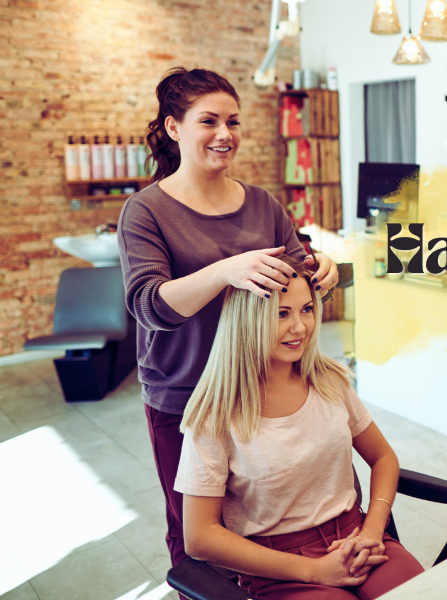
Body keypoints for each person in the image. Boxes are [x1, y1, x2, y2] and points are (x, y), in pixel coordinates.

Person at [117, 67, 339, 577]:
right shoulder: (146, 211)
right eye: (209, 121)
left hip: (267, 388)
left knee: (273, 518)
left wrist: (322, 267)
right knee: (197, 533)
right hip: (188, 397)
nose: (225, 135)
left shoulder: (262, 203)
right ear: (174, 127)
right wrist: (224, 271)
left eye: (233, 122)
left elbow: (295, 275)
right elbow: (148, 305)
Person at [174, 255, 424, 599]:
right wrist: (314, 571)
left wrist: (372, 529)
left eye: (306, 309)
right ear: (248, 320)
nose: (300, 327)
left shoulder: (329, 381)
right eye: (281, 314)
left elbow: (383, 457)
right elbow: (199, 537)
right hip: (279, 566)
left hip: (356, 538)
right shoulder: (214, 417)